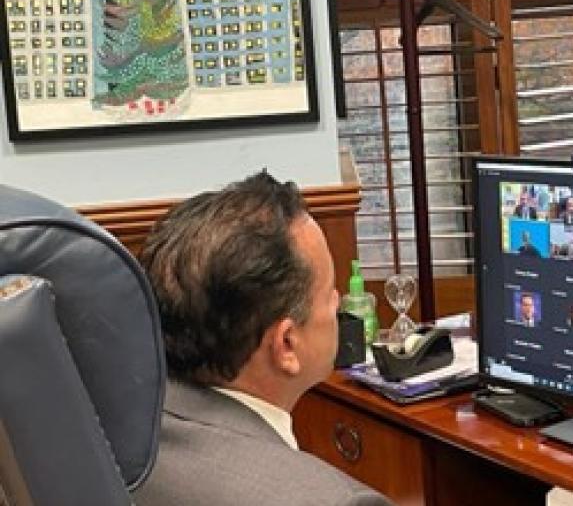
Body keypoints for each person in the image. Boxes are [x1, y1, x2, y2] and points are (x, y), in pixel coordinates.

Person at [135, 172, 392, 506]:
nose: (337, 301)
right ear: (286, 345)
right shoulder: (337, 501)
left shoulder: (104, 439)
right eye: (329, 292)